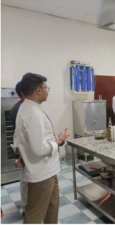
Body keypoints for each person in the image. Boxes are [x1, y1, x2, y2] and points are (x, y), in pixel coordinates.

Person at [15, 73, 70, 224]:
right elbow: (39, 149)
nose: (48, 91)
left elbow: (21, 140)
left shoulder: (28, 108)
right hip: (41, 173)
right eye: (46, 88)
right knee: (34, 216)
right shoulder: (33, 114)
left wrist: (20, 153)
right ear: (38, 90)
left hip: (49, 170)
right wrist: (60, 142)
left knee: (52, 209)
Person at [10, 81, 27, 215]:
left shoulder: (22, 107)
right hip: (24, 152)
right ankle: (26, 207)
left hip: (25, 152)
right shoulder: (20, 109)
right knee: (26, 180)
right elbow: (21, 136)